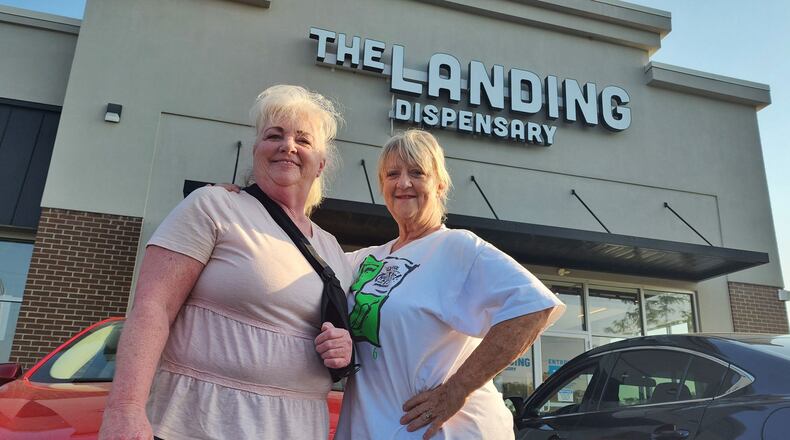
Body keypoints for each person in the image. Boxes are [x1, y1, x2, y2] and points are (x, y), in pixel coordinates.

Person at [99, 85, 355, 439]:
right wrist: (124, 409)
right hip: (195, 425)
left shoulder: (332, 251)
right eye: (274, 135)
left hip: (294, 428)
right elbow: (152, 307)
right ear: (256, 151)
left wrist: (343, 346)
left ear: (321, 164)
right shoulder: (214, 207)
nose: (288, 146)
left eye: (304, 140)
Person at [334, 129, 566, 439]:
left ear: (440, 184)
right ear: (382, 185)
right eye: (393, 174)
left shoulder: (456, 247)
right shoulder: (363, 260)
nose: (403, 183)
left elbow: (532, 308)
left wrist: (455, 390)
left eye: (417, 172)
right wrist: (251, 204)